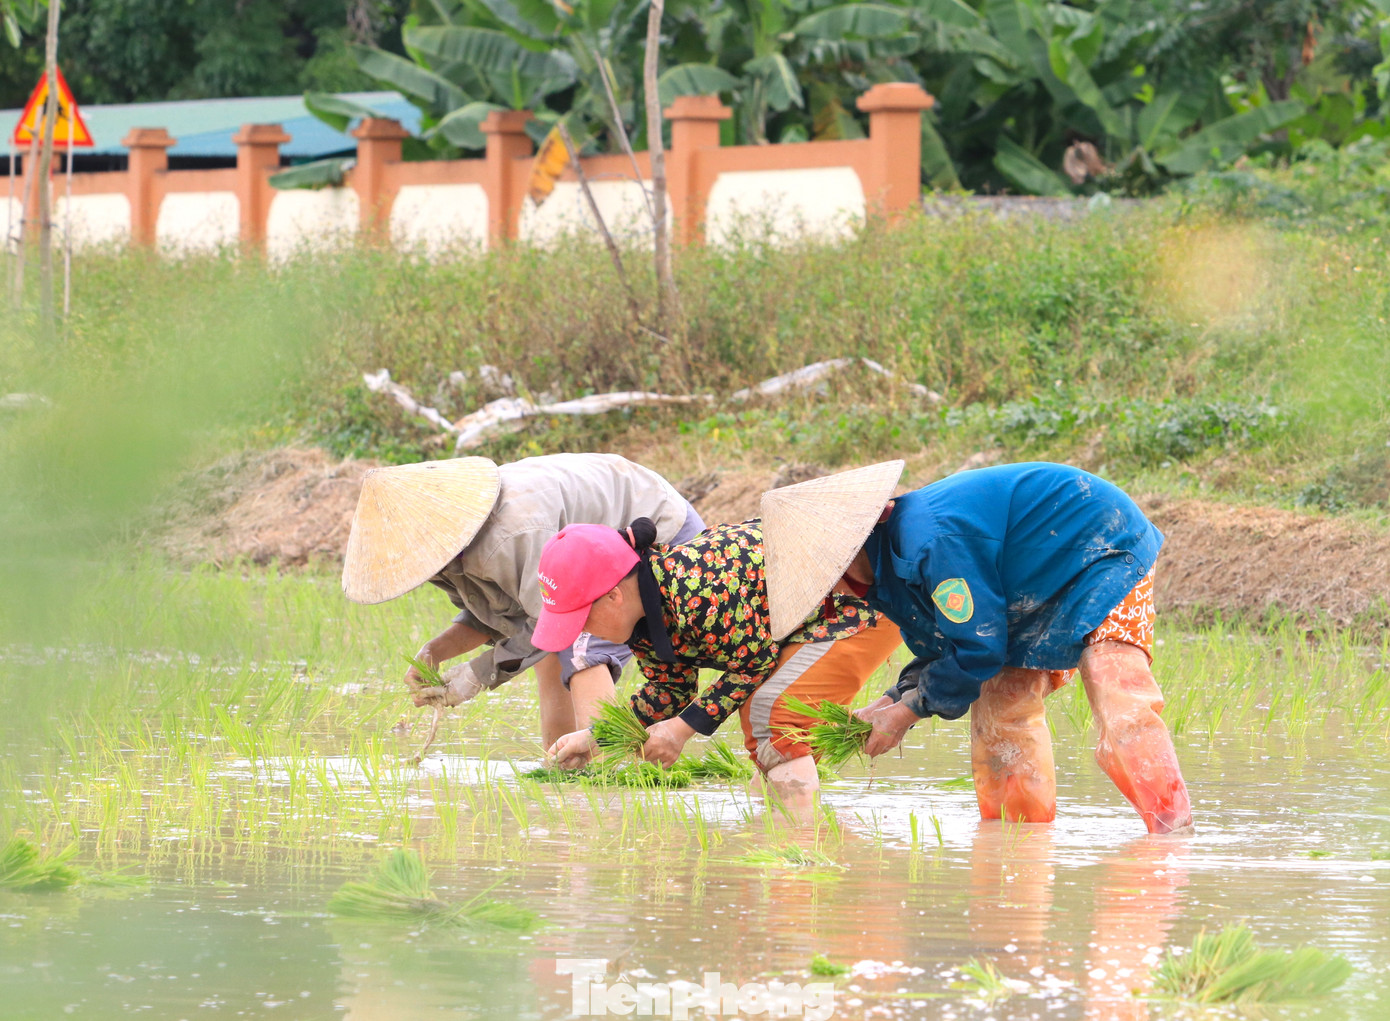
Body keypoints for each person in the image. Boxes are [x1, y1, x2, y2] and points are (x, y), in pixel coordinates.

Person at [760, 460, 1193, 834]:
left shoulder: (930, 543)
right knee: (1001, 710)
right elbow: (946, 648)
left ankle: (1170, 833)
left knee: (1115, 685)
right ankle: (1019, 844)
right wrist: (890, 701)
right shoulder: (881, 574)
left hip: (1102, 544)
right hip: (1026, 583)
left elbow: (980, 648)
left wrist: (906, 713)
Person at [536, 506, 902, 812]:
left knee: (774, 714)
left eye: (581, 619)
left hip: (865, 600)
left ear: (614, 596)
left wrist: (679, 731)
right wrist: (597, 737)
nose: (583, 633)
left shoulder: (694, 586)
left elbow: (753, 663)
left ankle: (799, 860)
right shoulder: (645, 618)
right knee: (772, 738)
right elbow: (669, 691)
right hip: (808, 619)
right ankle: (779, 839)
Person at [340, 453, 703, 747]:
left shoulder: (513, 534)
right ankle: (561, 760)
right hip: (584, 552)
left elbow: (547, 621)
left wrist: (475, 675)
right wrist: (434, 652)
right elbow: (493, 615)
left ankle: (600, 771)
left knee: (580, 648)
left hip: (655, 526)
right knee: (548, 651)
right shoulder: (450, 555)